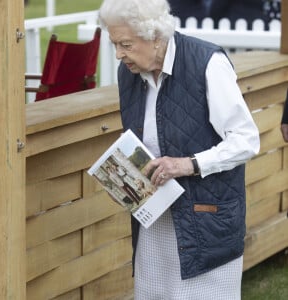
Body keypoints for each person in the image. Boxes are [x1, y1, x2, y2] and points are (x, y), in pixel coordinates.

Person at [99, 0, 260, 299]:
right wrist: (122, 178)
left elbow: (245, 140)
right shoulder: (129, 74)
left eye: (126, 44)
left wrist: (188, 164)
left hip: (206, 220)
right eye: (115, 45)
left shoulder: (207, 63)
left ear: (155, 36)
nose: (119, 55)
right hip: (155, 222)